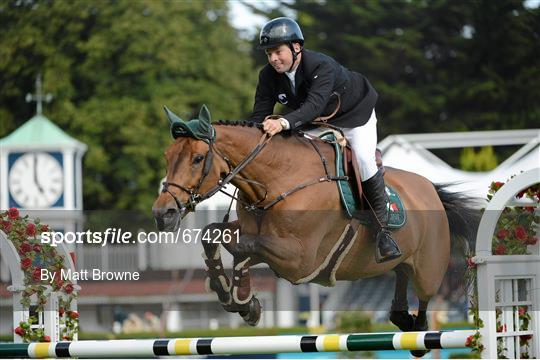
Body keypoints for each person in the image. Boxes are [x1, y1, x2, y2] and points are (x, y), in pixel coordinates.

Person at [249, 17, 401, 263]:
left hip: (354, 116)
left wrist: (283, 123)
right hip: (317, 122)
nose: (273, 59)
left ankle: (383, 233)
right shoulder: (267, 75)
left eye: (278, 51)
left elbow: (313, 105)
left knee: (363, 159)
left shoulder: (320, 66)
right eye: (268, 53)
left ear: (296, 47)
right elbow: (259, 113)